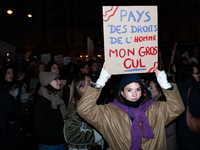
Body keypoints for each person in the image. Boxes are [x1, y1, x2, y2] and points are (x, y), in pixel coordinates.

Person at [76, 64, 185, 150]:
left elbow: (177, 108)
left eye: (138, 89)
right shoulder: (109, 112)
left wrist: (166, 85)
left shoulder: (155, 108)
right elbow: (84, 109)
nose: (134, 94)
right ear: (122, 93)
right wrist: (99, 83)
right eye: (129, 90)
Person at [64, 74, 103, 150]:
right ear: (80, 88)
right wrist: (97, 135)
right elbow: (71, 135)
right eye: (89, 82)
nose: (93, 82)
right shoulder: (75, 108)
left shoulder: (89, 104)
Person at [34, 71, 67, 150]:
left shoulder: (58, 97)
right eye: (55, 80)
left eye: (58, 79)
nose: (59, 82)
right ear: (47, 83)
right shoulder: (42, 102)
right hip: (49, 144)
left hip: (61, 141)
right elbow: (38, 127)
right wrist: (53, 135)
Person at [148, 78, 178, 150]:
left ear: (158, 90)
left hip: (167, 144)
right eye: (148, 86)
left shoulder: (163, 104)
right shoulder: (154, 102)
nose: (148, 89)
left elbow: (170, 130)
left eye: (151, 87)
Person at [176, 64, 200, 150]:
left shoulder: (180, 86)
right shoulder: (193, 90)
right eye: (197, 73)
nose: (199, 75)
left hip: (181, 129)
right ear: (191, 75)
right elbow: (195, 111)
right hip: (191, 131)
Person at [1, 66, 20, 150]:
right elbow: (9, 110)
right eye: (8, 72)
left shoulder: (10, 87)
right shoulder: (3, 90)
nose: (11, 75)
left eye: (12, 73)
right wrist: (12, 97)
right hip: (5, 126)